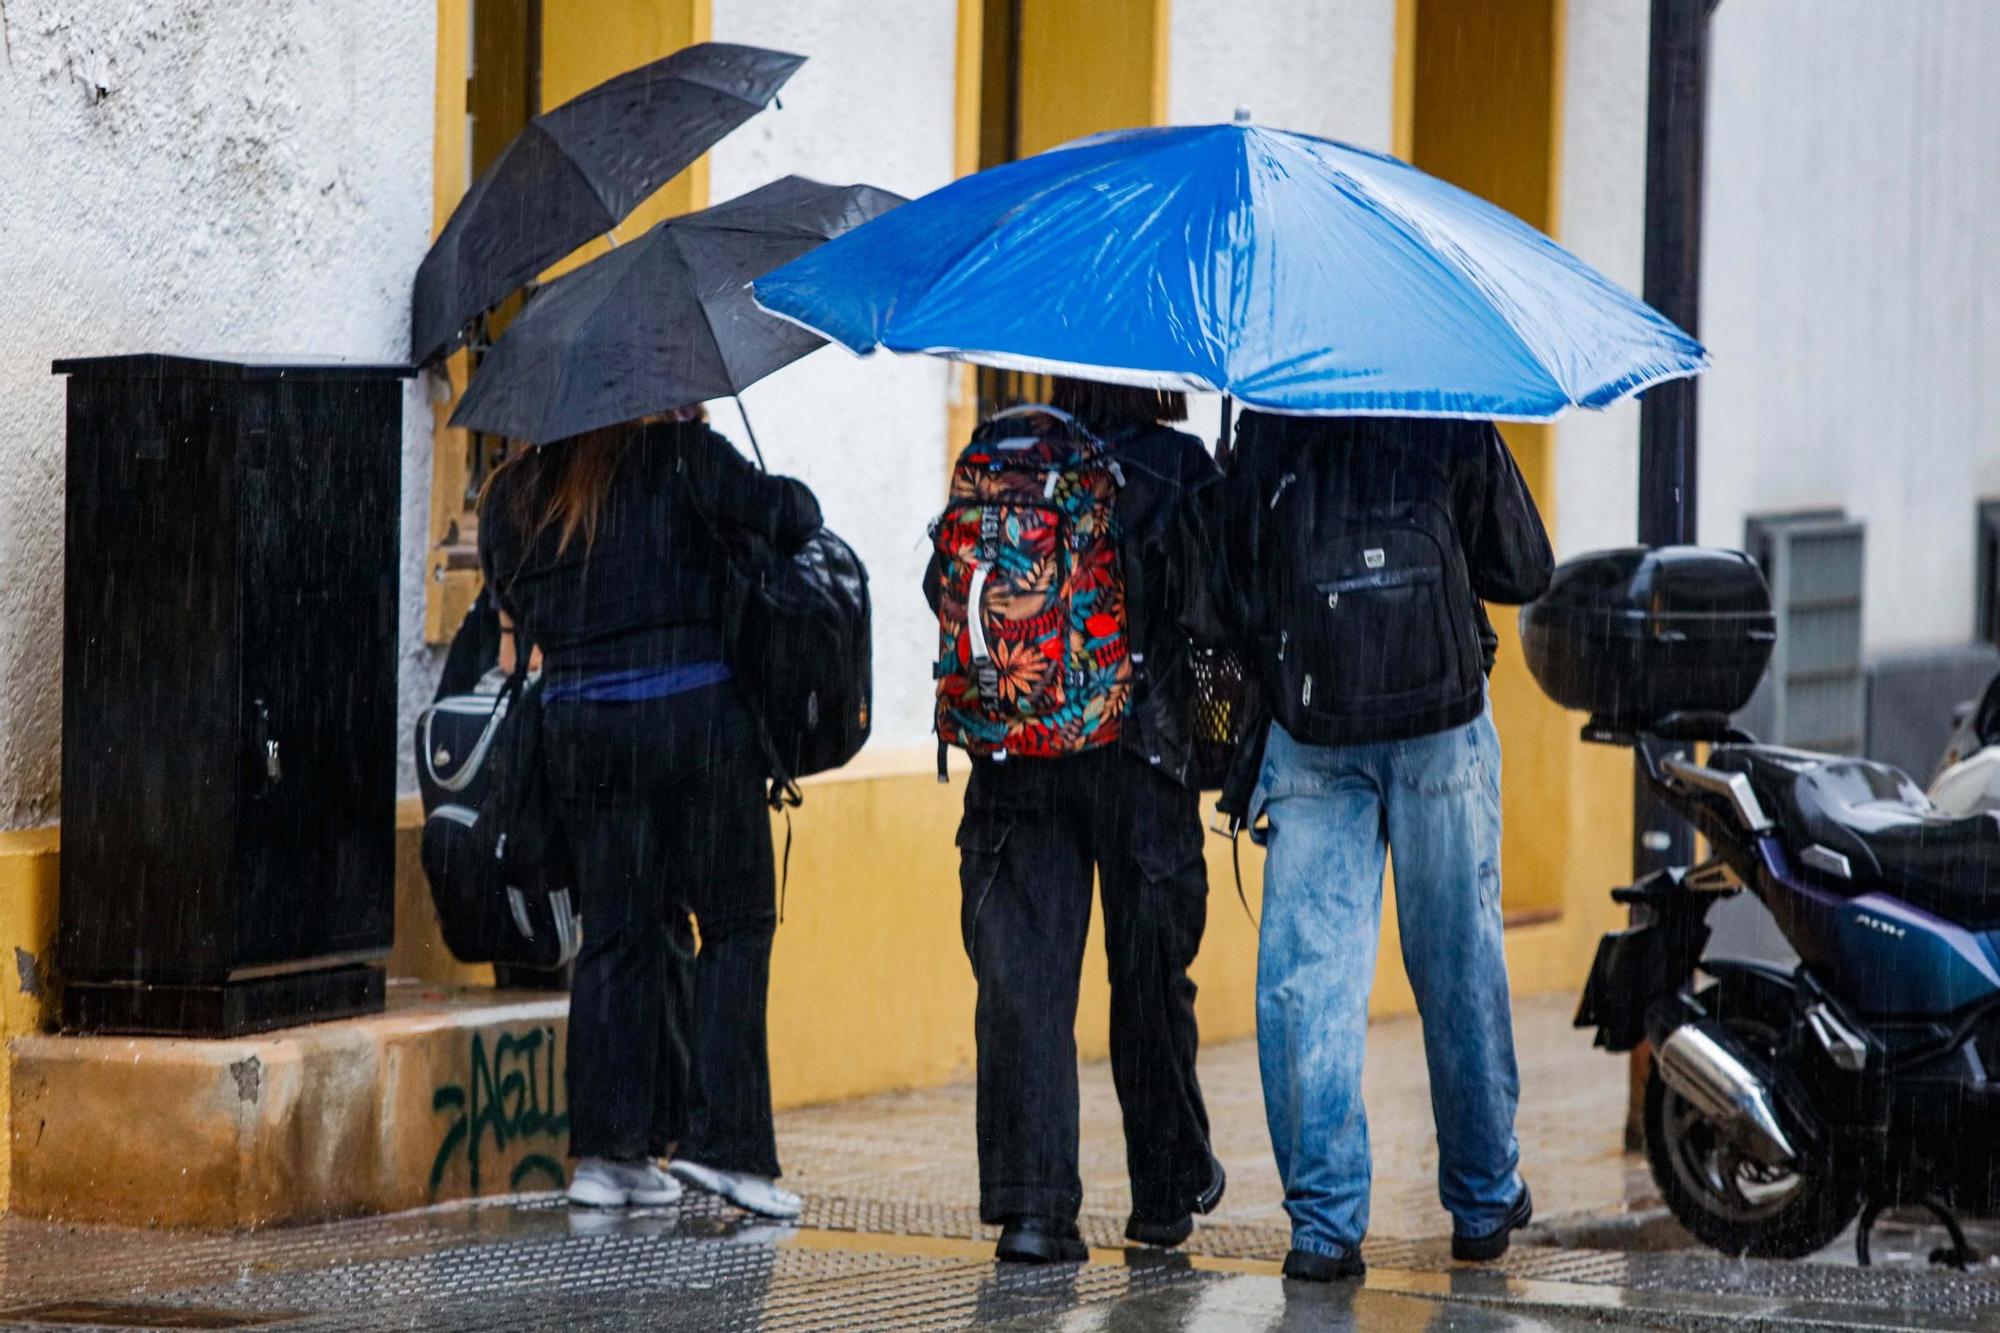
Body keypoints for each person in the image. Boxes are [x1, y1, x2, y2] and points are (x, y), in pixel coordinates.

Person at [1217, 411, 1553, 1282]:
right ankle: (1482, 1200)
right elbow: (1524, 567)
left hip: (1313, 724)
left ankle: (1324, 1225)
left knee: (1309, 980)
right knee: (1460, 963)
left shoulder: (1273, 413)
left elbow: (1234, 586)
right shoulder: (1445, 400)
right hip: (1442, 724)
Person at [478, 407, 821, 1217]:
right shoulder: (682, 456)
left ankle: (609, 1155)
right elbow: (794, 515)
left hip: (582, 731)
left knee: (617, 932)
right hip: (694, 720)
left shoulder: (518, 492)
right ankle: (727, 1147)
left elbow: (510, 593)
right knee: (735, 925)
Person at [926, 377, 1226, 1263]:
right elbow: (1211, 606)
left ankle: (1033, 1209)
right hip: (1141, 756)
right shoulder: (1173, 465)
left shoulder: (1001, 457)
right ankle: (1165, 1190)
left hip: (1016, 757)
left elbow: (945, 591)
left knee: (1024, 981)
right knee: (1148, 975)